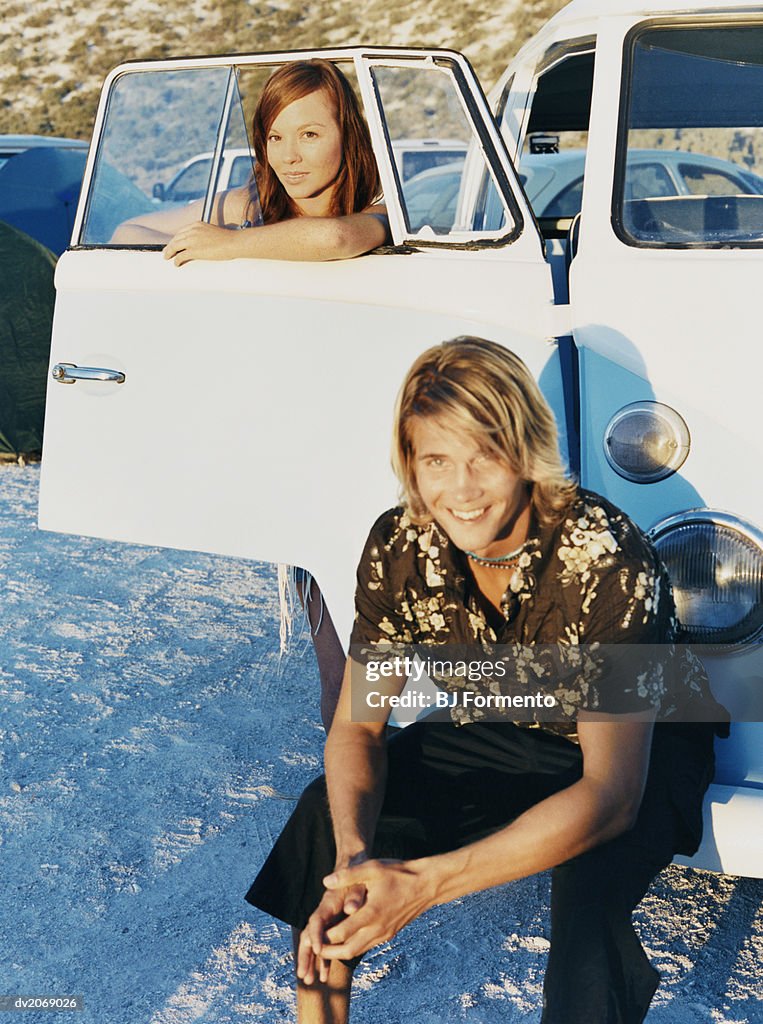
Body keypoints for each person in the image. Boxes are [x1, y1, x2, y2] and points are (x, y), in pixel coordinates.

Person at [245, 336, 728, 1024]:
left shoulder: (605, 555)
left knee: (587, 902)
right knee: (329, 814)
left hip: (640, 744)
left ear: (527, 452)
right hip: (503, 716)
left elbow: (610, 795)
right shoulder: (399, 545)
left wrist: (423, 882)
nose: (461, 490)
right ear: (409, 464)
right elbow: (357, 725)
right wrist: (355, 859)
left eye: (486, 457)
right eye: (436, 460)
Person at [114, 59, 388, 727]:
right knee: (340, 667)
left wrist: (232, 248)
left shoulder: (383, 204)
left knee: (403, 662)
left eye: (310, 134)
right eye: (274, 136)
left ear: (346, 133)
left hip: (384, 456)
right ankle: (352, 815)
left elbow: (335, 238)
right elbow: (126, 237)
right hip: (301, 458)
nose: (290, 156)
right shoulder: (249, 204)